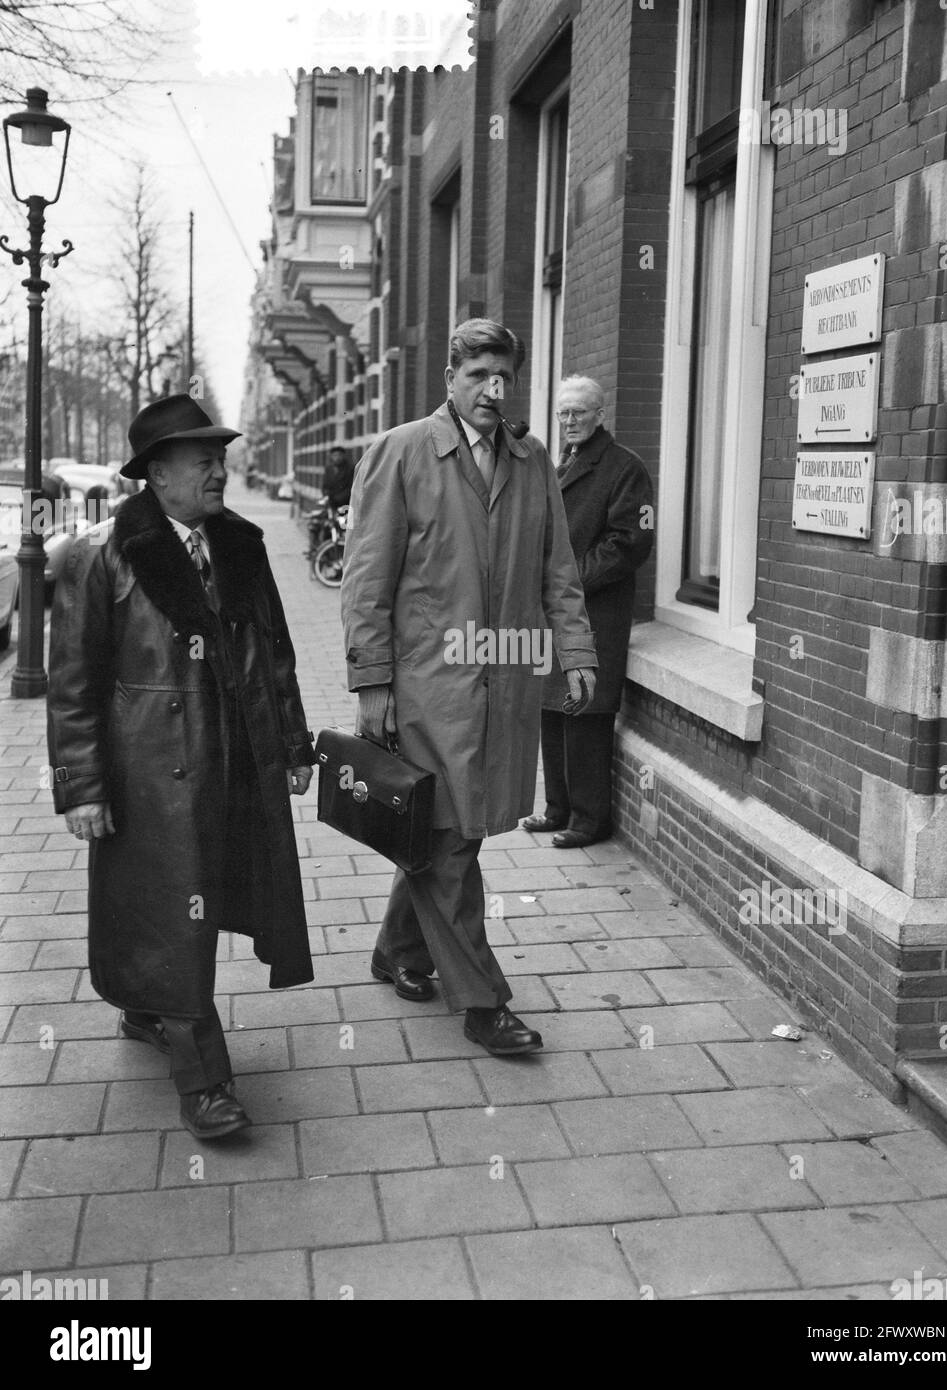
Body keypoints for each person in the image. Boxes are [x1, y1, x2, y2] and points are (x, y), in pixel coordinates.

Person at [46, 394, 315, 1140]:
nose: (219, 471)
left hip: (234, 760)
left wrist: (292, 744)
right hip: (149, 774)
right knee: (172, 909)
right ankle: (205, 1082)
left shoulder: (242, 544)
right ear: (157, 475)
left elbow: (276, 651)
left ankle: (145, 1004)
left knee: (199, 898)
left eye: (220, 458)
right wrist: (81, 787)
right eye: (203, 460)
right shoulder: (99, 555)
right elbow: (72, 684)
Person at [341, 319, 597, 1057]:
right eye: (480, 373)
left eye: (505, 376)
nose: (494, 388)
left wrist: (576, 651)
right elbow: (366, 581)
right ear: (450, 376)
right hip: (428, 688)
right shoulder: (400, 454)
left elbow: (558, 570)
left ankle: (398, 950)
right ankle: (484, 1002)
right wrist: (372, 681)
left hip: (505, 684)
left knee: (456, 830)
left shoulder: (532, 460)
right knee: (449, 841)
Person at [523, 375, 654, 847]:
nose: (570, 420)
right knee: (551, 709)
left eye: (580, 411)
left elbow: (628, 544)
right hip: (556, 615)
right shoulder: (563, 462)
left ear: (601, 414)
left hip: (594, 612)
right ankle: (557, 808)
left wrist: (566, 580)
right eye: (563, 412)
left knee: (584, 714)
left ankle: (588, 820)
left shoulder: (624, 467)